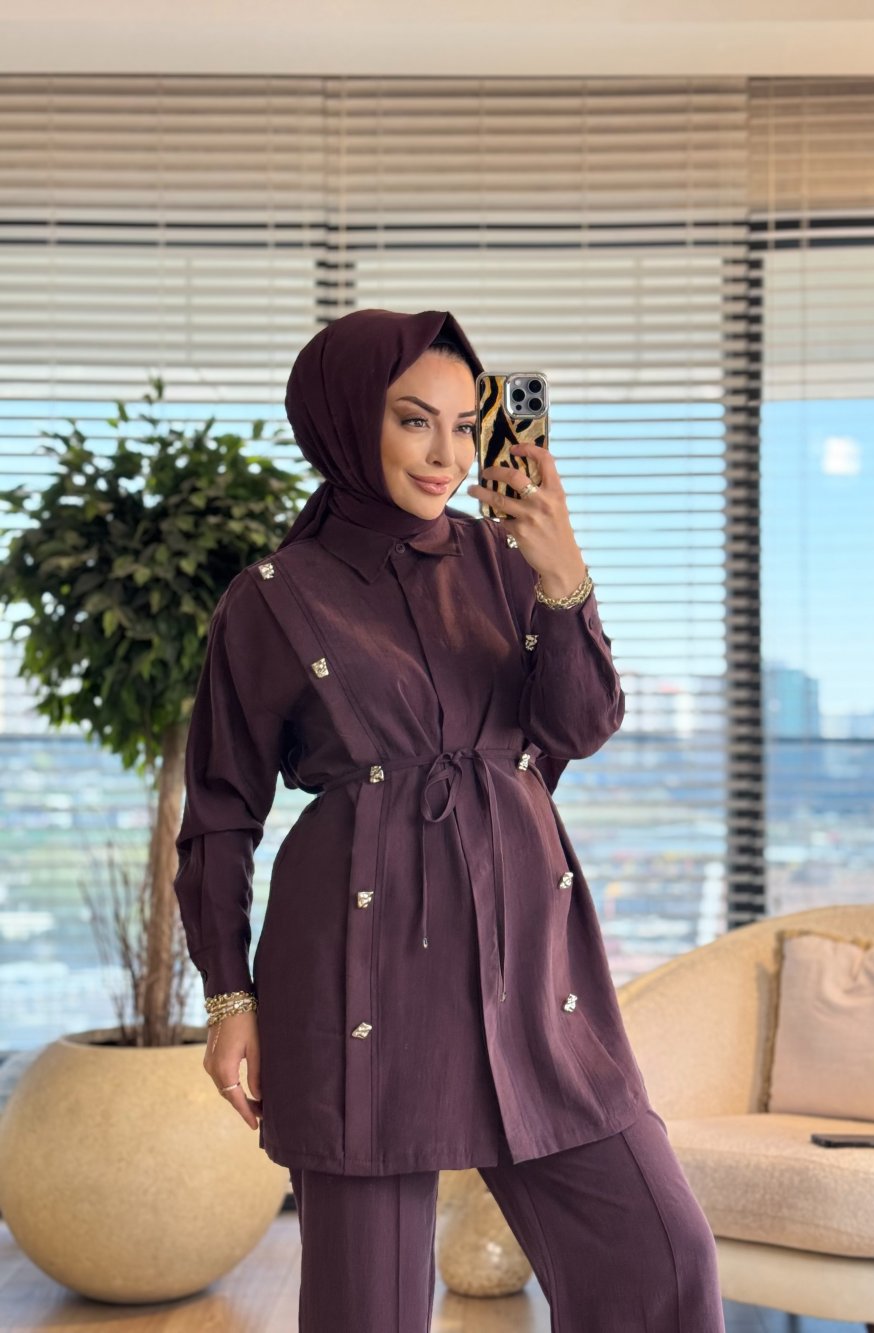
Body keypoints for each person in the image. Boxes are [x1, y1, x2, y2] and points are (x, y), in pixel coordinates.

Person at [173, 308, 725, 1332]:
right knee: (369, 1308)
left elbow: (578, 726)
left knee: (661, 1255)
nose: (447, 454)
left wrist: (561, 573)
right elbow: (219, 811)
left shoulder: (509, 560)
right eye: (414, 420)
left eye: (467, 425)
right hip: (357, 970)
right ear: (347, 421)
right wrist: (227, 996)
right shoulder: (272, 600)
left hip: (528, 960)